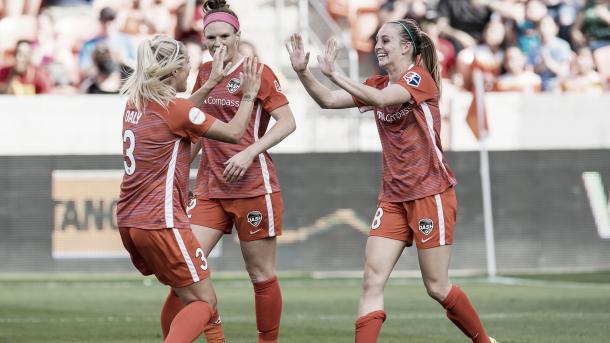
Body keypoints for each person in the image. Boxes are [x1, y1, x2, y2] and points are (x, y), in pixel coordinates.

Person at [287, 19, 496, 343]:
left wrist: (335, 73)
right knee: (372, 280)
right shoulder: (376, 84)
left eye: (386, 40)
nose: (378, 46)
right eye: (376, 41)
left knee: (437, 287)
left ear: (406, 47)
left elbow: (383, 100)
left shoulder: (418, 78)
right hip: (393, 199)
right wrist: (303, 72)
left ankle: (485, 341)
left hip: (431, 194)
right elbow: (328, 100)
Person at [116, 35, 263, 343]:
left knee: (188, 296)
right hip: (162, 222)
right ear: (174, 71)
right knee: (203, 303)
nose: (191, 75)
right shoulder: (176, 111)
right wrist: (249, 95)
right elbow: (235, 132)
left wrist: (210, 84)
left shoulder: (137, 103)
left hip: (131, 221)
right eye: (188, 68)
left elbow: (178, 112)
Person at [186, 1, 296, 342]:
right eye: (211, 37)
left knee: (261, 274)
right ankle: (215, 337)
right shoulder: (204, 73)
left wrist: (250, 152)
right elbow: (195, 127)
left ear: (237, 36)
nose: (218, 43)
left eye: (224, 36)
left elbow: (288, 122)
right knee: (186, 266)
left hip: (251, 186)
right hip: (209, 185)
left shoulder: (258, 72)